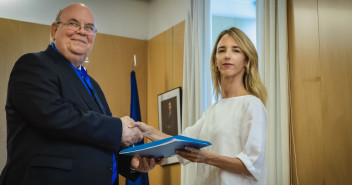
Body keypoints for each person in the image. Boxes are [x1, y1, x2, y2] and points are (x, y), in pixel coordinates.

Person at [0, 4, 158, 185]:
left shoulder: (94, 85)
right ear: (54, 29)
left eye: (89, 28)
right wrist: (117, 129)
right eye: (74, 23)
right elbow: (55, 116)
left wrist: (130, 162)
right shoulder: (33, 65)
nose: (82, 32)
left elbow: (93, 137)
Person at [132, 27, 268, 185]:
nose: (227, 55)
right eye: (222, 50)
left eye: (236, 50)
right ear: (215, 61)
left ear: (247, 61)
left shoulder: (252, 105)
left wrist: (208, 158)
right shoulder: (212, 110)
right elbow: (180, 144)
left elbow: (252, 165)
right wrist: (148, 130)